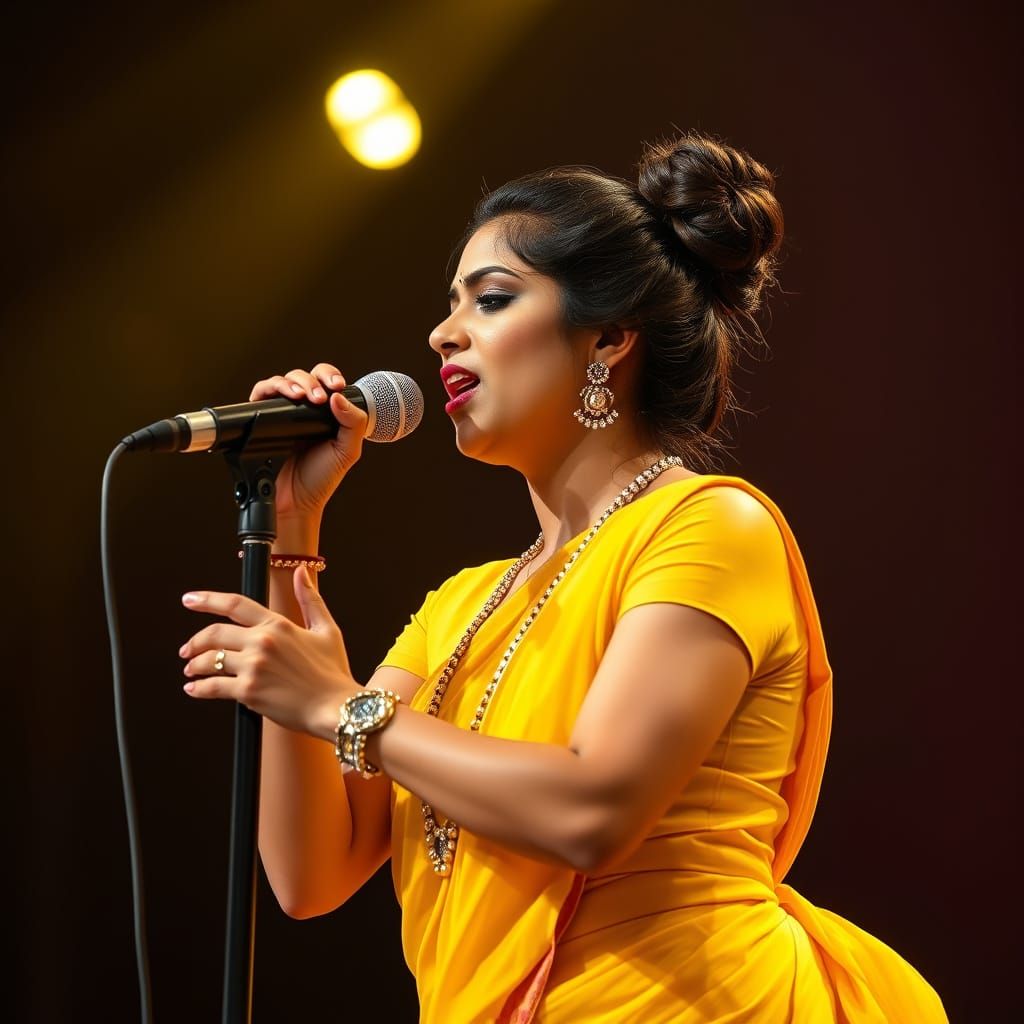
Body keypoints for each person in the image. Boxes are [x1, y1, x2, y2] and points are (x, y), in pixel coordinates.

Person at [178, 131, 947, 1022]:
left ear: (610, 337)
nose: (442, 333)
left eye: (492, 298)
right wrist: (289, 531)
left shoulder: (711, 527)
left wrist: (339, 706)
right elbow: (313, 873)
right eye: (450, 305)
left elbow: (592, 811)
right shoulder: (462, 606)